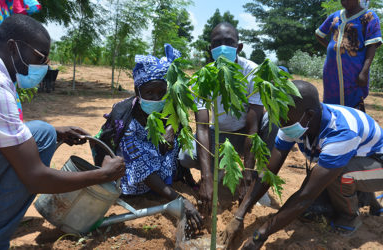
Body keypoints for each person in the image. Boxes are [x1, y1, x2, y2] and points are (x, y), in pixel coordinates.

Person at [0, 14, 125, 250]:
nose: (44, 67)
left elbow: (0, 131)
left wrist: (54, 131)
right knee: (40, 137)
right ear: (12, 47)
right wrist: (103, 175)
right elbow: (35, 178)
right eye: (39, 57)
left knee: (43, 132)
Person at [221, 80, 383, 249]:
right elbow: (268, 172)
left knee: (340, 175)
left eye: (284, 117)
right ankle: (364, 197)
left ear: (310, 115)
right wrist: (239, 216)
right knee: (312, 208)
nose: (280, 122)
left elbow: (305, 196)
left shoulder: (341, 132)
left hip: (378, 165)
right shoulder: (295, 120)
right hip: (358, 159)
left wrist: (260, 235)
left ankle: (349, 217)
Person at [92, 44, 203, 233]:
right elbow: (142, 168)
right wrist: (179, 199)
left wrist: (171, 127)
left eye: (161, 92)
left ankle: (166, 182)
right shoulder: (125, 118)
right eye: (149, 93)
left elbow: (179, 122)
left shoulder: (169, 108)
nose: (156, 98)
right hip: (134, 173)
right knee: (144, 162)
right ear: (137, 91)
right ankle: (158, 189)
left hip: (158, 164)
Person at [178, 22, 276, 214]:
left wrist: (247, 177)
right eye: (217, 42)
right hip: (218, 135)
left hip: (245, 133)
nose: (223, 46)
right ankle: (220, 172)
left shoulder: (252, 72)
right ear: (210, 48)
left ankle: (256, 182)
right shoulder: (202, 78)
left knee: (273, 123)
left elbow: (253, 126)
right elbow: (203, 127)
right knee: (185, 156)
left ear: (239, 47)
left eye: (229, 42)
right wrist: (206, 178)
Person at [315, 0, 382, 110]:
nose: (344, 2)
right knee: (331, 101)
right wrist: (331, 47)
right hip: (331, 70)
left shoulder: (369, 16)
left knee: (354, 101)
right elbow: (319, 34)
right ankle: (334, 124)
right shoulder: (335, 16)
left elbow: (372, 45)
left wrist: (364, 72)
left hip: (353, 69)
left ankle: (354, 124)